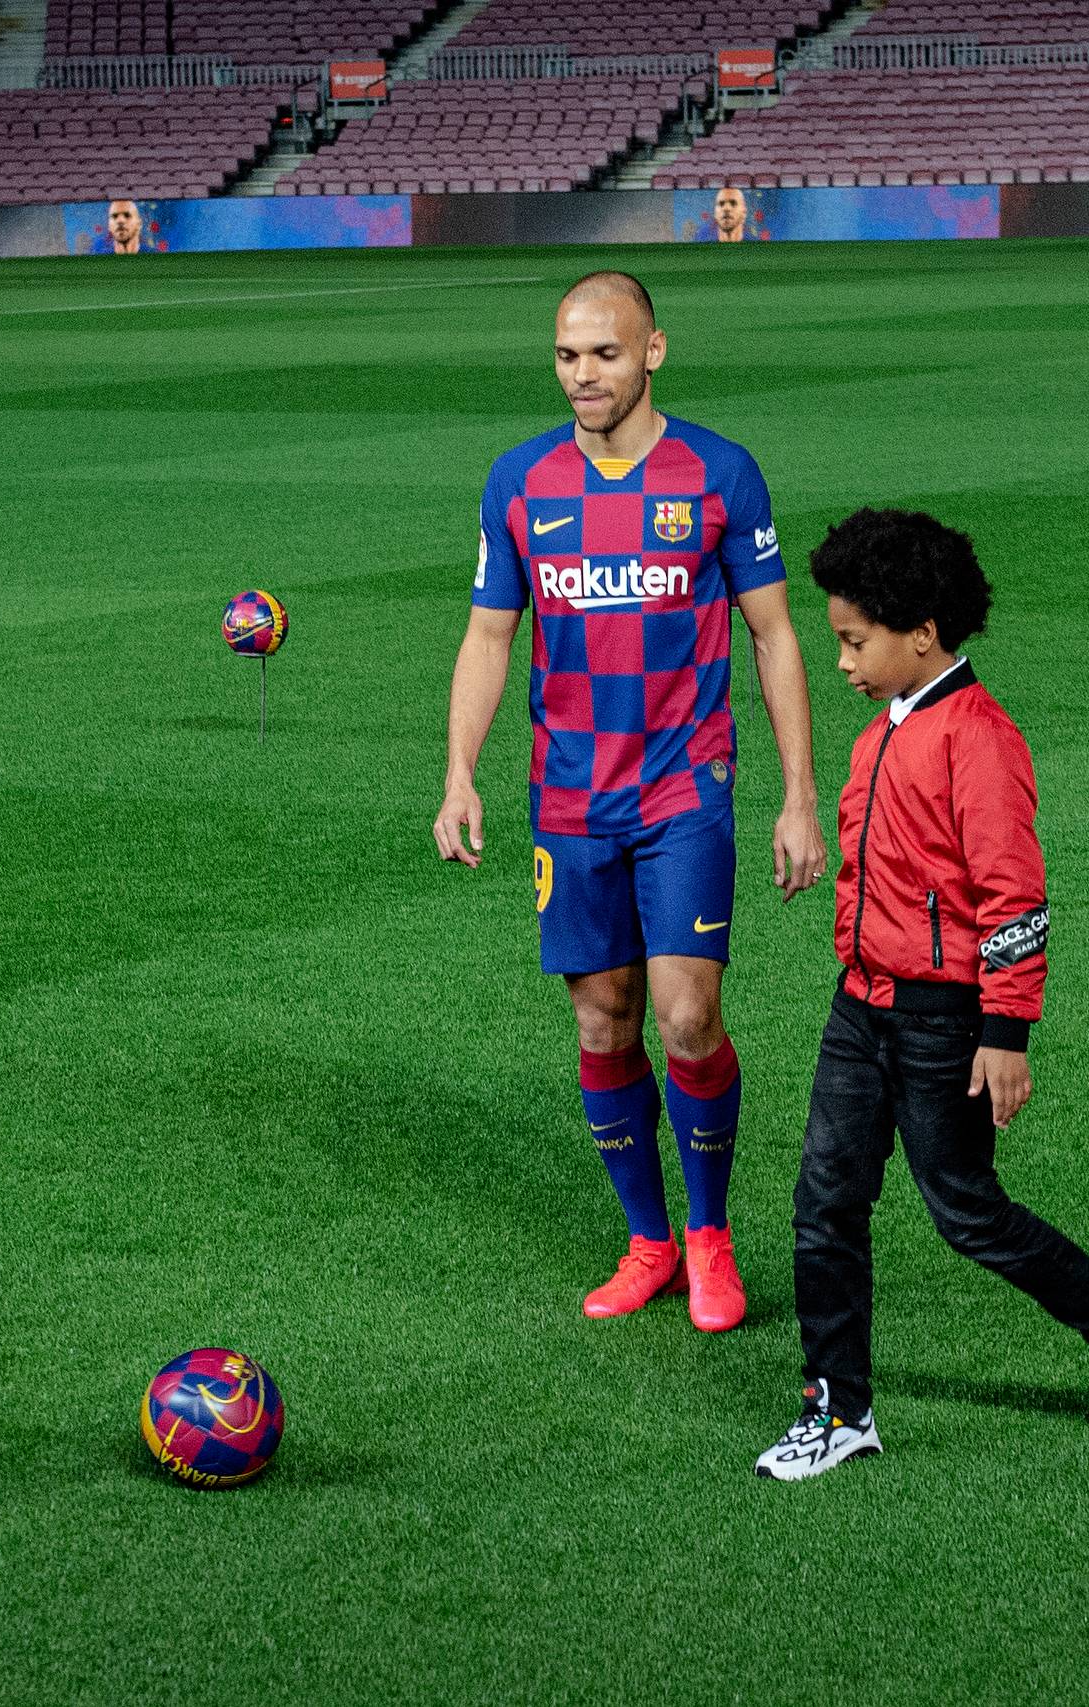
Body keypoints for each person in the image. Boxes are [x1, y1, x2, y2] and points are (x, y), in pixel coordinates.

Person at [753, 508, 1089, 1482]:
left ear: (922, 631)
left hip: (943, 1021)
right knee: (822, 1206)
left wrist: (1004, 1032)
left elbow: (1014, 898)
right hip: (860, 1008)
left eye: (853, 641)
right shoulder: (884, 732)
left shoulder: (981, 741)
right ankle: (838, 1412)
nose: (840, 662)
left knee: (964, 1211)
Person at [435, 270, 825, 1333]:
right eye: (566, 355)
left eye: (604, 354)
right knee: (604, 1023)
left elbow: (775, 633)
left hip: (683, 793)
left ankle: (708, 1237)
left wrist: (799, 796)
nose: (581, 374)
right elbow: (486, 636)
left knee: (686, 1018)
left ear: (652, 351)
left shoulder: (718, 474)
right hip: (568, 801)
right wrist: (459, 773)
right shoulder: (518, 483)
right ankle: (647, 1238)